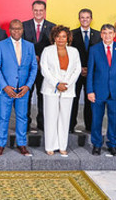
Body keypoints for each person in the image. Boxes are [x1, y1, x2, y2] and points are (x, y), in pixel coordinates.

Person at [0, 19, 37, 156]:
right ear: (9, 30)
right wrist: (5, 86)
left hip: (23, 89)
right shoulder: (1, 45)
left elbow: (34, 67)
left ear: (22, 30)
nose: (16, 31)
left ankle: (21, 144)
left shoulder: (29, 46)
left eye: (19, 28)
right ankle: (0, 145)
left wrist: (28, 86)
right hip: (6, 90)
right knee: (3, 118)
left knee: (22, 117)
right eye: (13, 28)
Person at [87, 24, 116, 157]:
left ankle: (112, 144)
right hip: (98, 91)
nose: (107, 36)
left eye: (110, 33)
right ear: (101, 35)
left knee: (114, 119)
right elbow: (90, 72)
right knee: (96, 120)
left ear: (114, 34)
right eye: (104, 33)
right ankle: (97, 144)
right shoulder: (94, 49)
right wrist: (90, 90)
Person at [40, 25, 80, 156]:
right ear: (54, 38)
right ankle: (50, 146)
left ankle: (62, 146)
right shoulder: (47, 50)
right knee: (51, 117)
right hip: (51, 88)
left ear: (68, 38)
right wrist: (56, 84)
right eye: (58, 36)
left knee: (64, 118)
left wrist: (66, 84)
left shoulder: (74, 51)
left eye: (63, 36)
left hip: (68, 88)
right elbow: (44, 69)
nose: (61, 39)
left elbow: (77, 69)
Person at [22, 0, 54, 132]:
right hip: (28, 69)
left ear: (45, 11)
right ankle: (25, 124)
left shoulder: (52, 27)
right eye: (36, 10)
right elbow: (21, 46)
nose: (38, 12)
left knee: (43, 97)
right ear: (32, 10)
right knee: (26, 97)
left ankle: (42, 123)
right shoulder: (24, 26)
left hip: (44, 70)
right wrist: (32, 58)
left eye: (41, 10)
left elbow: (53, 48)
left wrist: (42, 60)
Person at [70, 8, 100, 133]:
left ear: (91, 19)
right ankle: (71, 126)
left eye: (87, 17)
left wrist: (90, 68)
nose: (85, 20)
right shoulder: (72, 34)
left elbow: (99, 55)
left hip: (92, 73)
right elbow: (69, 54)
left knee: (90, 100)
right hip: (75, 73)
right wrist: (79, 68)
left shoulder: (98, 35)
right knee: (74, 99)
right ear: (79, 19)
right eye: (82, 17)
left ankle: (89, 126)